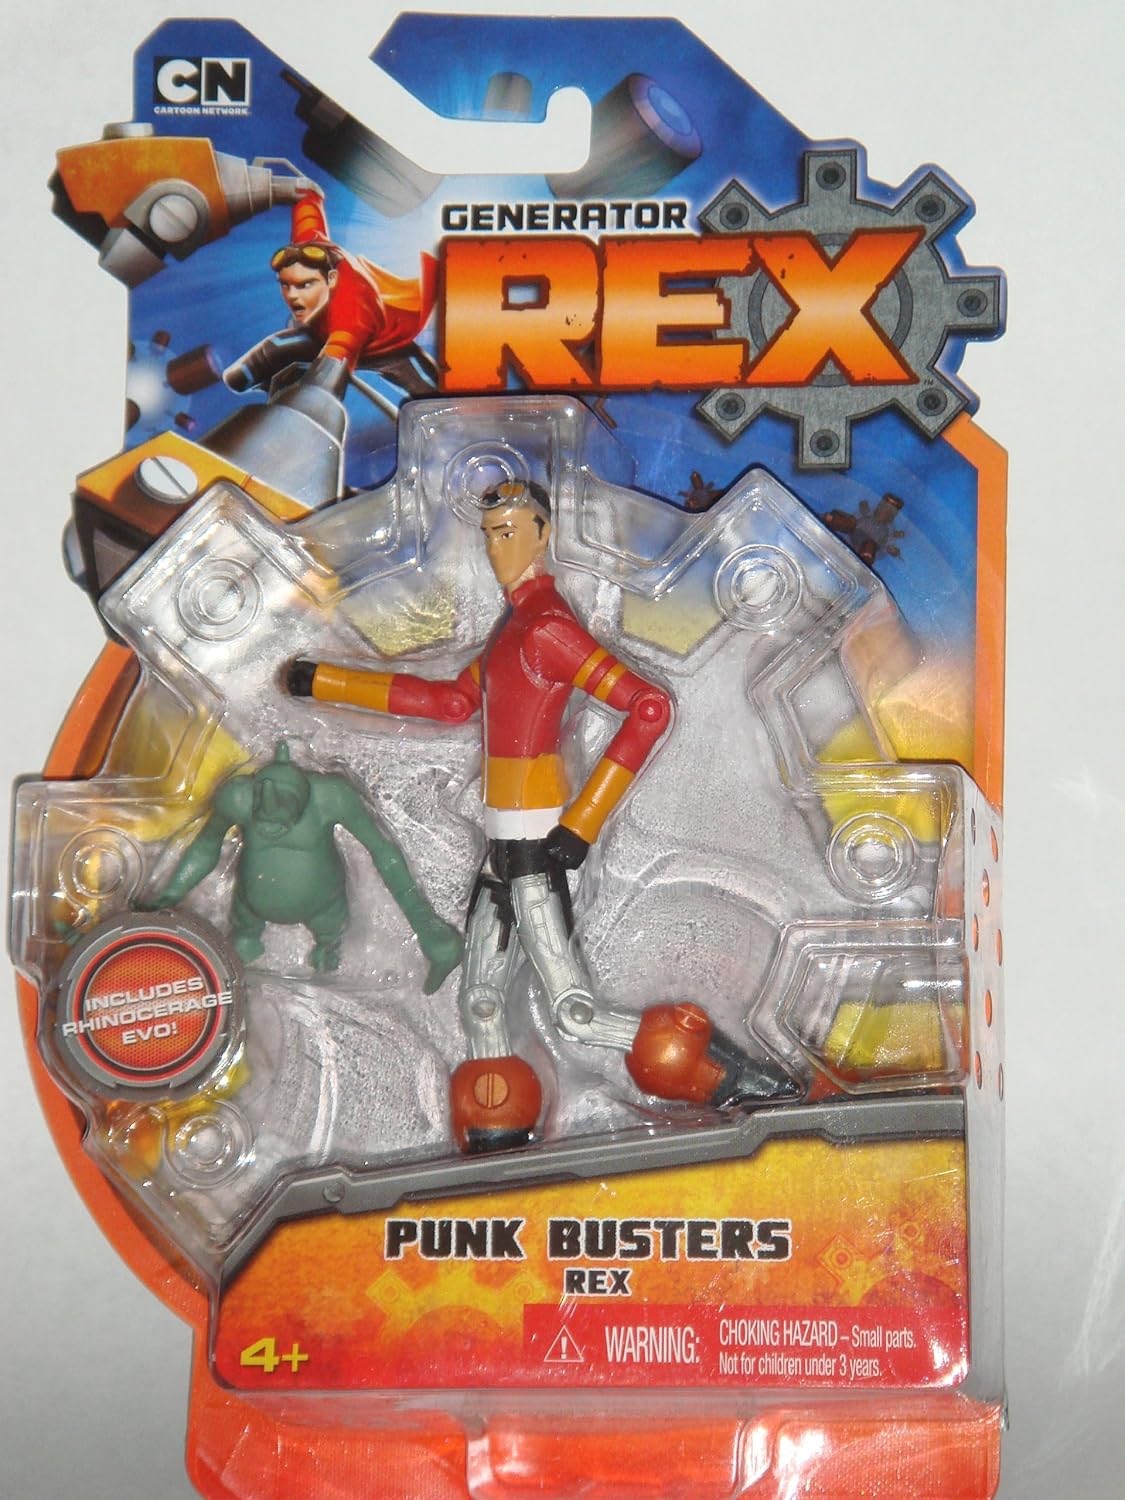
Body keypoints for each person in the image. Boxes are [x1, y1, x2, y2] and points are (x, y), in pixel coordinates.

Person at [287, 480, 797, 1152]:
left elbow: (648, 707)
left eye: (509, 533)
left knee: (573, 1013)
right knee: (481, 1003)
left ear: (542, 534)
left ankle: (723, 1075)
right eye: (488, 536)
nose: (496, 549)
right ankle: (497, 1133)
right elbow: (450, 704)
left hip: (536, 850)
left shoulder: (548, 629)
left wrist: (582, 823)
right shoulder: (515, 628)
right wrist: (324, 681)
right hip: (501, 851)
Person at [224, 188, 439, 400]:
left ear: (332, 279)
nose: (292, 296)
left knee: (437, 397)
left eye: (305, 285)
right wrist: (307, 194)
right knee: (240, 376)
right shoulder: (309, 245)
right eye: (285, 285)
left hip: (387, 348)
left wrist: (316, 395)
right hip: (325, 334)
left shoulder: (352, 314)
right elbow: (308, 218)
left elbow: (332, 370)